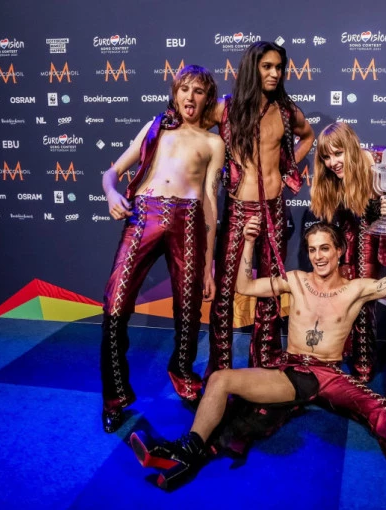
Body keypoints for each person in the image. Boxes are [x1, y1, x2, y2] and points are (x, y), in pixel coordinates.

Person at [129, 217, 386, 506]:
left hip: (328, 374)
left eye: (325, 248)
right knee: (223, 384)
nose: (319, 256)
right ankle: (186, 453)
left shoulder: (356, 288)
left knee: (380, 407)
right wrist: (248, 242)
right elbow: (245, 286)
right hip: (291, 371)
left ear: (339, 251)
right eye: (312, 250)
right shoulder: (295, 280)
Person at [99, 65, 225, 433]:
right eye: (184, 89)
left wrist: (209, 266)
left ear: (208, 98)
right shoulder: (156, 128)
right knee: (115, 305)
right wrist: (111, 193)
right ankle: (114, 397)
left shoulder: (214, 143)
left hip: (189, 221)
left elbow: (210, 203)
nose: (190, 96)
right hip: (144, 216)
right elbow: (112, 172)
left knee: (188, 310)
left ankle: (183, 374)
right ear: (175, 93)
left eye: (198, 91)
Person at [205, 41, 315, 377]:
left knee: (270, 289)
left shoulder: (285, 110)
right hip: (238, 209)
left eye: (279, 67)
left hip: (275, 208)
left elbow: (308, 136)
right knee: (225, 292)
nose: (275, 73)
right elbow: (193, 130)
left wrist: (287, 169)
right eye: (267, 66)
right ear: (252, 68)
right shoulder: (225, 108)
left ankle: (265, 365)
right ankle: (219, 370)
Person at [310, 122, 386, 403]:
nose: (332, 163)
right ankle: (362, 365)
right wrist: (347, 256)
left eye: (338, 154)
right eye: (326, 157)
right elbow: (343, 214)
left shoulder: (384, 159)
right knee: (359, 289)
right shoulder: (333, 176)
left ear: (352, 148)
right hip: (362, 227)